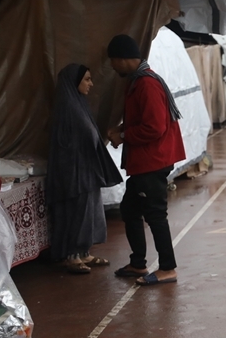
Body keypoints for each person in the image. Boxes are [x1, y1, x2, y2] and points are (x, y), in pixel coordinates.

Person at [106, 34, 185, 287]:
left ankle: (168, 268)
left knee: (155, 214)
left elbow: (154, 127)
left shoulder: (146, 84)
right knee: (130, 209)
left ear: (122, 59)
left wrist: (124, 135)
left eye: (113, 61)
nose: (112, 67)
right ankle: (138, 262)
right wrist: (122, 128)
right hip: (145, 161)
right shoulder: (138, 82)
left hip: (153, 161)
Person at [46, 64, 124, 274]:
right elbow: (67, 145)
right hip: (74, 173)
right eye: (87, 79)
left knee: (90, 210)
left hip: (86, 170)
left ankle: (83, 251)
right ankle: (72, 255)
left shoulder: (79, 104)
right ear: (74, 82)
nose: (91, 83)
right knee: (77, 212)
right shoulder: (67, 109)